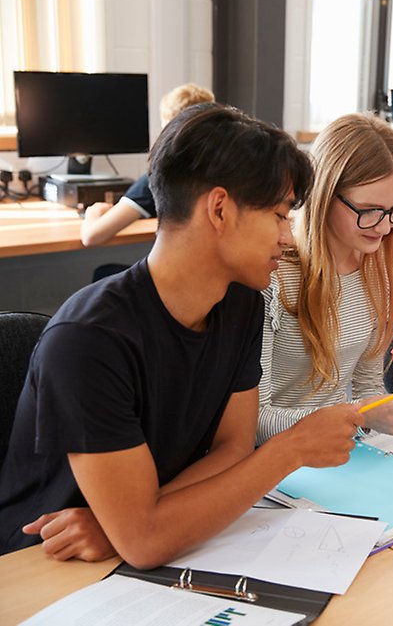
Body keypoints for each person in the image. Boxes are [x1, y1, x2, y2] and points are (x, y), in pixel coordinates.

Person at [0, 104, 364, 567]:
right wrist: (288, 451)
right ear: (218, 209)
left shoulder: (241, 302)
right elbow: (146, 543)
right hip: (44, 563)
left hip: (154, 541)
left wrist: (129, 523)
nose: (288, 238)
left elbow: (233, 448)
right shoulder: (87, 340)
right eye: (278, 215)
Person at [256, 114, 393, 444]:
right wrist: (359, 414)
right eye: (369, 210)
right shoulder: (272, 276)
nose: (384, 227)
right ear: (324, 196)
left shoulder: (373, 269)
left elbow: (367, 387)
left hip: (339, 452)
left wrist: (386, 412)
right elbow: (253, 421)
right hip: (274, 462)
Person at [79, 82, 215, 247]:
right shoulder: (226, 172)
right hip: (214, 270)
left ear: (169, 129)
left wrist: (93, 213)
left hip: (174, 271)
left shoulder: (160, 178)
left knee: (104, 271)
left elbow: (91, 237)